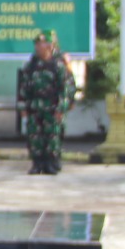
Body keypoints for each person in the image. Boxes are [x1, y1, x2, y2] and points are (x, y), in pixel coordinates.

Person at [18, 32, 76, 174]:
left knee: (52, 136)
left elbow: (64, 89)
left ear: (50, 46)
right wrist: (22, 106)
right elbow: (23, 87)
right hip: (35, 106)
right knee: (34, 136)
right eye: (36, 44)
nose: (38, 47)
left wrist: (61, 108)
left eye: (41, 44)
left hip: (52, 106)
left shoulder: (58, 65)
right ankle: (37, 163)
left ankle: (51, 162)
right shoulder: (31, 65)